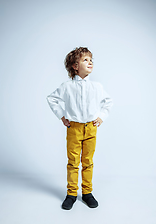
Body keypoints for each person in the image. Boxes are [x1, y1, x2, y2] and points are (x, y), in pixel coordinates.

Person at [46, 47, 113, 210]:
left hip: (91, 129)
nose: (90, 62)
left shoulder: (97, 86)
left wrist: (101, 117)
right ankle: (71, 194)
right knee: (73, 162)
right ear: (75, 66)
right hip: (74, 129)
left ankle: (87, 193)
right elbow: (51, 98)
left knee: (88, 162)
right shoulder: (67, 86)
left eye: (91, 60)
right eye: (85, 60)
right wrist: (62, 116)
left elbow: (108, 101)